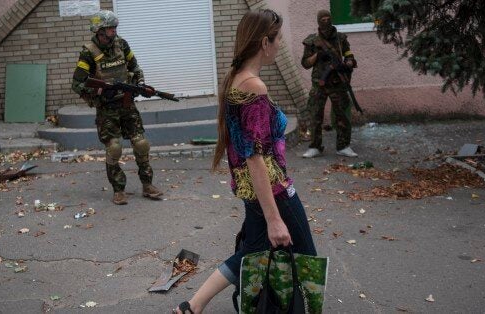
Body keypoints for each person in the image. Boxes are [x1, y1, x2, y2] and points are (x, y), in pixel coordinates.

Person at [173, 9, 317, 314]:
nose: (280, 46)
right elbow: (255, 157)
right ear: (265, 42)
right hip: (273, 190)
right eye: (277, 39)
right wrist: (275, 217)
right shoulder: (253, 87)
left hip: (252, 190)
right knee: (306, 257)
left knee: (253, 251)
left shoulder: (235, 78)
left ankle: (193, 306)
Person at [71, 10, 162, 205]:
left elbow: (135, 68)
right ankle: (118, 190)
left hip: (127, 104)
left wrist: (140, 84)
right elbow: (77, 84)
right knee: (114, 147)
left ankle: (148, 185)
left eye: (114, 28)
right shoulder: (89, 52)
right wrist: (99, 93)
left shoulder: (122, 44)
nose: (114, 32)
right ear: (99, 31)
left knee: (141, 143)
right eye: (110, 29)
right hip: (107, 110)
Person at [301, 9, 359, 158]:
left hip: (337, 82)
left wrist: (349, 62)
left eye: (328, 18)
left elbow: (348, 54)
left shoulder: (340, 39)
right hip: (319, 84)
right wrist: (317, 55)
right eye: (323, 19)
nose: (326, 21)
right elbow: (306, 63)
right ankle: (315, 146)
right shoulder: (312, 41)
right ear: (318, 22)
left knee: (342, 116)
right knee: (315, 115)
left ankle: (343, 146)